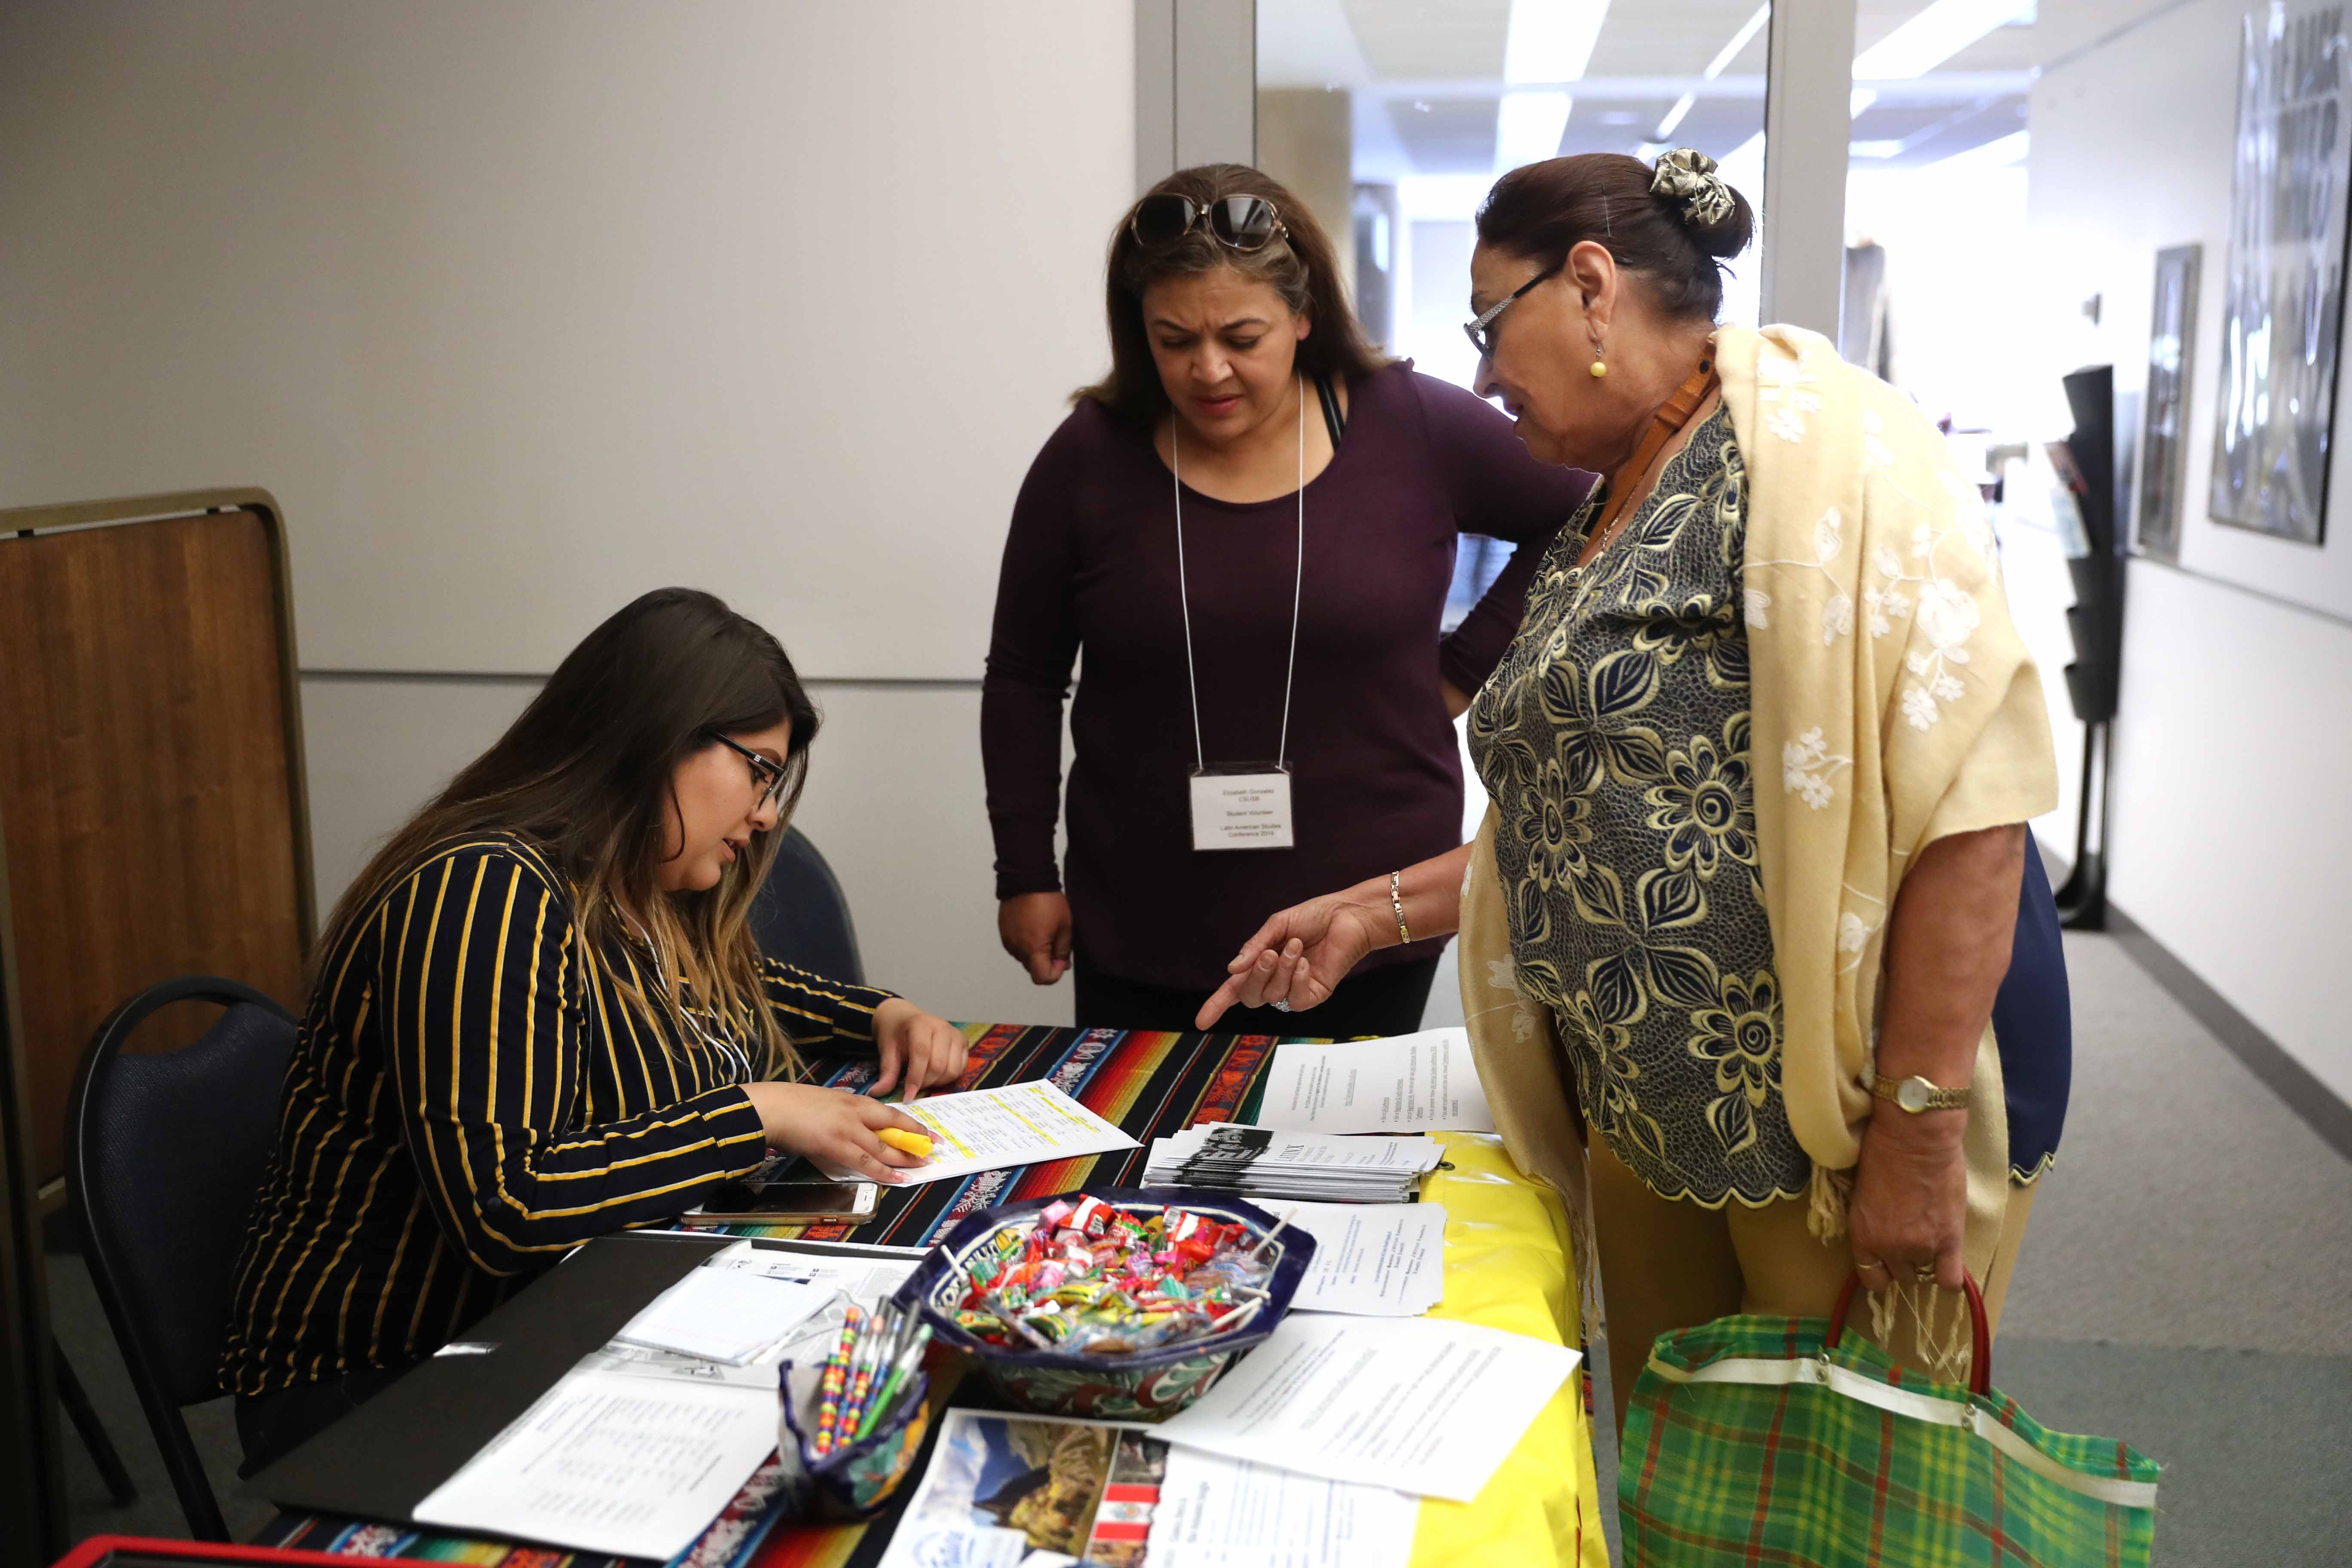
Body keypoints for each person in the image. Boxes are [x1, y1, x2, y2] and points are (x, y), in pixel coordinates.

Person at [1196, 150, 2071, 1432]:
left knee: (1842, 1492)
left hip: (1825, 1129)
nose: (1486, 376)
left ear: (1593, 287)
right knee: (1680, 1481)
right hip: (1646, 1112)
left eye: (1493, 328)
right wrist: (1379, 912)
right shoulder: (1609, 504)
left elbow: (1972, 810)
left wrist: (1918, 1140)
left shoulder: (1832, 456)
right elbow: (1588, 817)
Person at [220, 588, 969, 1467]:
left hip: (557, 1312)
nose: (766, 815)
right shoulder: (483, 895)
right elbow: (505, 1204)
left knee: (868, 1390)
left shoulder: (621, 881)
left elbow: (734, 991)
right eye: (759, 771)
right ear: (661, 733)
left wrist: (881, 1012)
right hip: (388, 1374)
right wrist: (751, 1115)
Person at [984, 163, 1596, 1035]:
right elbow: (1021, 676)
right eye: (1173, 341)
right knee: (1144, 1164)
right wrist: (1025, 873)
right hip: (1146, 921)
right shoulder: (1089, 457)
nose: (1208, 370)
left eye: (1242, 336)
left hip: (1369, 914)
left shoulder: (1410, 424)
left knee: (1347, 1168)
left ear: (1304, 318)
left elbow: (1583, 513)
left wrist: (1463, 672)